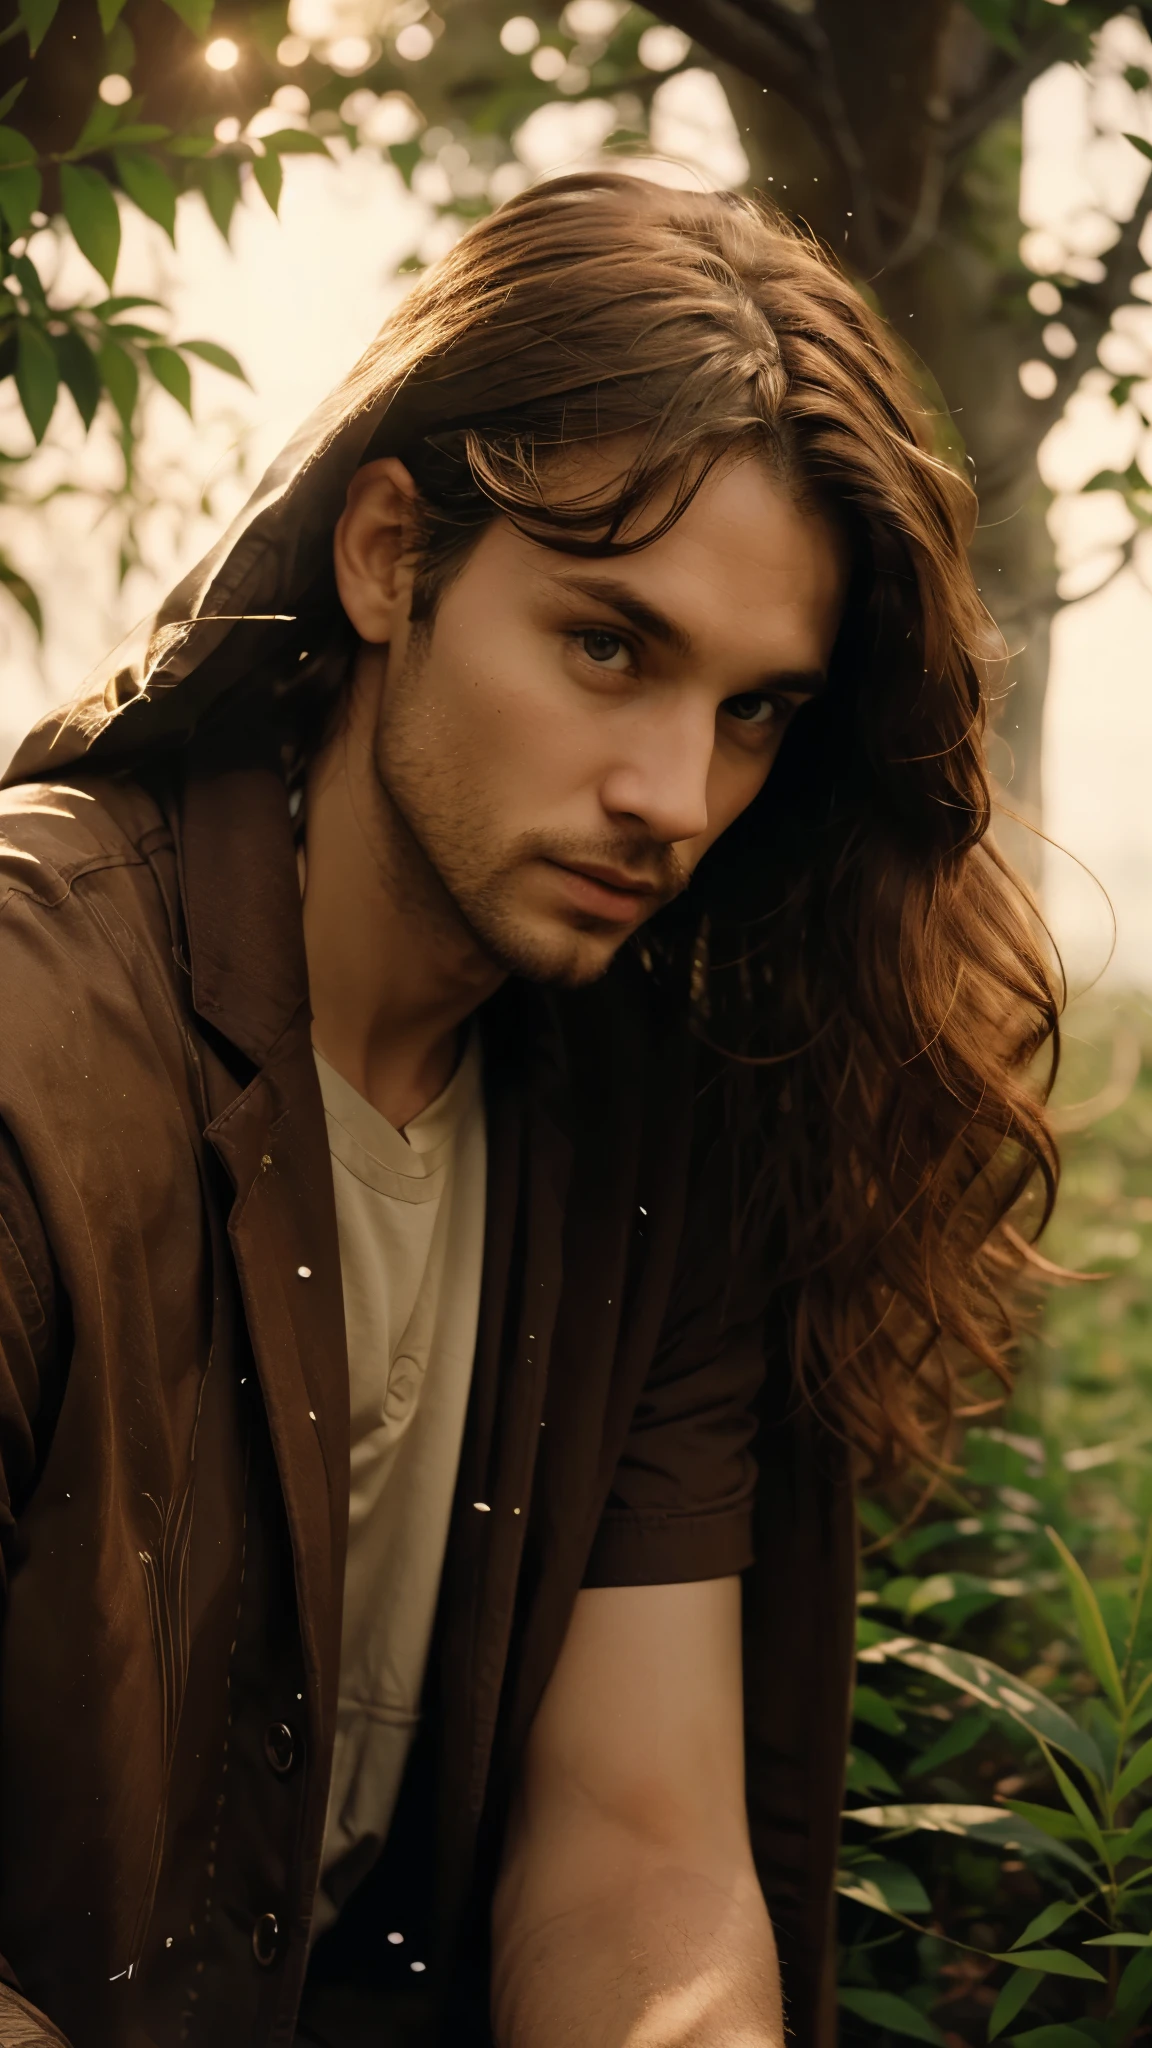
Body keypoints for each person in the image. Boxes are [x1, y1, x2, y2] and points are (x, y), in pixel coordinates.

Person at [0, 172, 1058, 2048]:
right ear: (393, 555)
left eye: (754, 713)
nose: (676, 791)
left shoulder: (651, 1131)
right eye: (609, 646)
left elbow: (637, 1856)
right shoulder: (29, 1042)